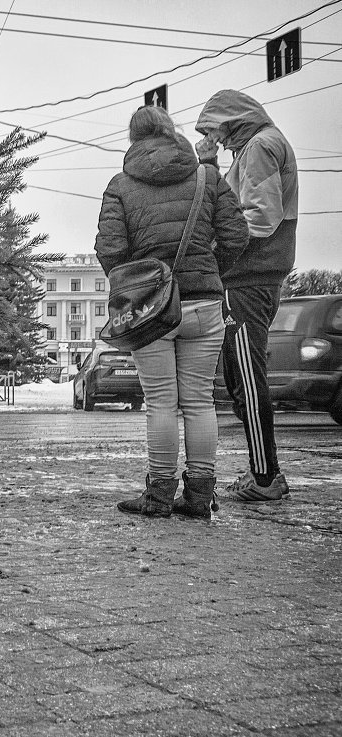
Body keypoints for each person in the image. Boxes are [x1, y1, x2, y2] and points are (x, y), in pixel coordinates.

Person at [96, 105, 249, 518]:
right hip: (204, 303)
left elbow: (109, 249)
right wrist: (211, 271)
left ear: (134, 140)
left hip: (150, 309)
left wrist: (135, 284)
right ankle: (200, 497)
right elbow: (237, 235)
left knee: (161, 401)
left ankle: (159, 495)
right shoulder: (207, 176)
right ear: (171, 132)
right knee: (199, 401)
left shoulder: (121, 185)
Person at [195, 90, 298, 502]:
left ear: (232, 119)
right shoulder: (257, 147)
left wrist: (218, 249)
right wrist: (212, 165)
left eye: (215, 131)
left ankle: (267, 477)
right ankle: (264, 471)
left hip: (249, 276)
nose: (216, 140)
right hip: (253, 275)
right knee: (240, 375)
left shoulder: (259, 147)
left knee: (248, 378)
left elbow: (260, 216)